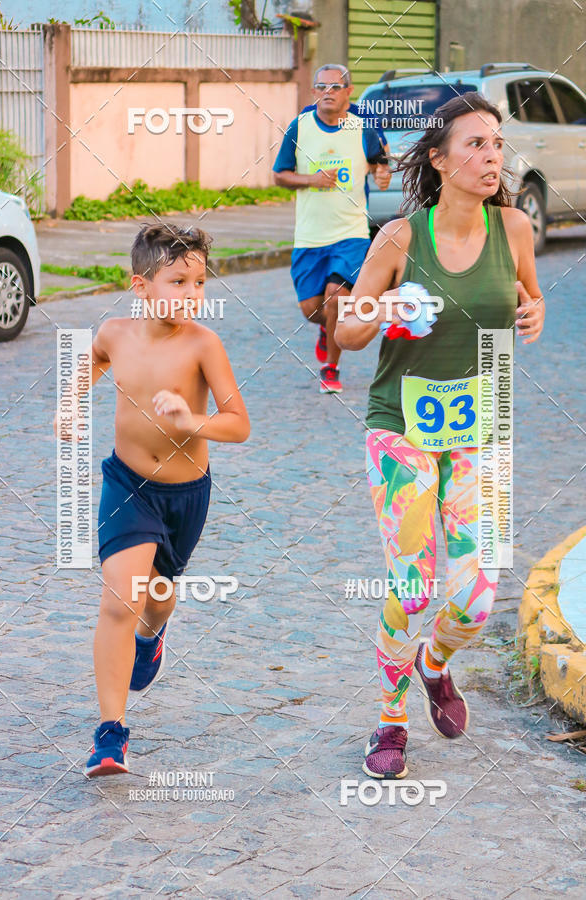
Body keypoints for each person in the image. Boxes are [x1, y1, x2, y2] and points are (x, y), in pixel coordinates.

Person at [334, 93, 545, 779]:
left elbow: (527, 295)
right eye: (477, 145)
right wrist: (382, 307)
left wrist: (533, 312)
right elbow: (347, 332)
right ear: (439, 158)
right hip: (400, 427)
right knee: (413, 586)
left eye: (497, 144)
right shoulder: (399, 238)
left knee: (478, 596)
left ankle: (434, 664)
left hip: (480, 430)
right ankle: (390, 722)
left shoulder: (514, 227)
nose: (493, 157)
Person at [54, 223, 250, 777]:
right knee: (120, 599)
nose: (192, 295)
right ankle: (110, 735)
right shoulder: (115, 333)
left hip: (186, 495)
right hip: (126, 487)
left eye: (199, 284)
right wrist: (70, 402)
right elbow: (91, 360)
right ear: (141, 286)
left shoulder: (203, 345)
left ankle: (153, 634)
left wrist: (194, 419)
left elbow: (239, 425)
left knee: (158, 598)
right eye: (178, 281)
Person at [273, 63, 392, 394]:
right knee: (313, 309)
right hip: (310, 235)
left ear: (348, 92)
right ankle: (327, 329)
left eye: (335, 87)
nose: (328, 93)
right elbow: (280, 175)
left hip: (351, 232)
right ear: (313, 92)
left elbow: (381, 168)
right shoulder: (299, 127)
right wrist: (311, 179)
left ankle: (331, 369)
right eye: (322, 87)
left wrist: (383, 175)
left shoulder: (363, 129)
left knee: (336, 298)